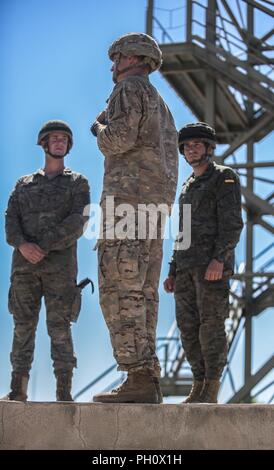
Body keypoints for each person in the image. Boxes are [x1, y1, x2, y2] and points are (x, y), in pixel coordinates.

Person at [90, 33, 178, 403]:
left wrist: (98, 128)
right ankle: (145, 375)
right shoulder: (162, 105)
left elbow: (117, 140)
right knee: (142, 292)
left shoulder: (129, 90)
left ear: (132, 58)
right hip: (153, 209)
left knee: (119, 289)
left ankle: (139, 376)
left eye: (116, 59)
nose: (112, 66)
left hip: (127, 205)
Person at [3, 120, 90, 402]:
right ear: (44, 143)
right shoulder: (24, 185)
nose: (59, 142)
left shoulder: (78, 183)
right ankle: (18, 390)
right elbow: (10, 223)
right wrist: (23, 245)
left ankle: (63, 392)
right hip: (24, 269)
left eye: (64, 139)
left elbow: (79, 221)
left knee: (60, 328)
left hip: (60, 270)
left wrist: (42, 246)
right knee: (23, 327)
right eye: (54, 138)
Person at [164, 122, 243, 403]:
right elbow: (181, 232)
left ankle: (211, 386)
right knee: (188, 329)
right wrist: (173, 269)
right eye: (187, 146)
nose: (191, 149)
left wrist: (219, 259)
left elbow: (233, 224)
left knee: (211, 326)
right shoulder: (187, 186)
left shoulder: (224, 177)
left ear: (209, 148)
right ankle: (198, 383)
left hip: (211, 267)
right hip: (185, 268)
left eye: (197, 144)